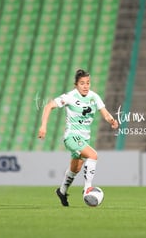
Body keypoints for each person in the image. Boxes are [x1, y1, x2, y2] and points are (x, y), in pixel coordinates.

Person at [38, 69, 118, 206]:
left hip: (84, 138)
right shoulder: (70, 96)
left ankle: (62, 191)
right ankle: (87, 189)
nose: (86, 86)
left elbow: (104, 113)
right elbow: (49, 106)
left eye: (88, 83)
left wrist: (111, 120)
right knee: (93, 155)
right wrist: (43, 126)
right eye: (82, 83)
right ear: (76, 84)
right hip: (71, 137)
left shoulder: (94, 97)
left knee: (75, 168)